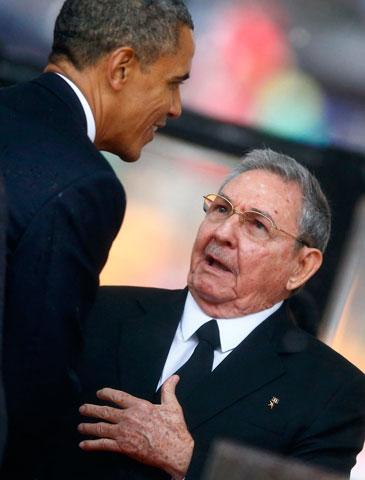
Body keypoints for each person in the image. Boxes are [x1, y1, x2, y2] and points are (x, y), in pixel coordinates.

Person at [51, 149, 365, 480]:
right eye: (221, 209)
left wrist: (188, 460)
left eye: (257, 224)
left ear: (301, 267)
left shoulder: (330, 390)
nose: (223, 233)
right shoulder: (98, 309)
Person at [0, 0, 194, 477]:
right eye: (172, 82)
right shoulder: (86, 184)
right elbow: (35, 379)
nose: (175, 107)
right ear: (121, 67)